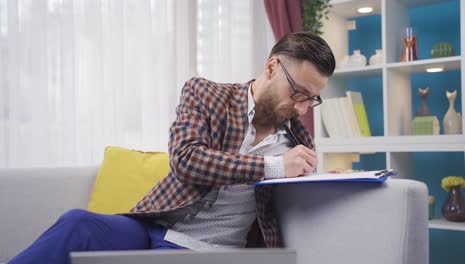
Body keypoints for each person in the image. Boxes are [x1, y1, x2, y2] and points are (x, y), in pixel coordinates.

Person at [8, 31, 335, 264]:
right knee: (77, 223)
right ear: (272, 67)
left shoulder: (295, 141)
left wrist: (327, 181)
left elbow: (306, 185)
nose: (303, 108)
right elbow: (187, 159)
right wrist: (275, 167)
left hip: (208, 251)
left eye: (312, 98)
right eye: (298, 93)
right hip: (153, 228)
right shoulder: (206, 94)